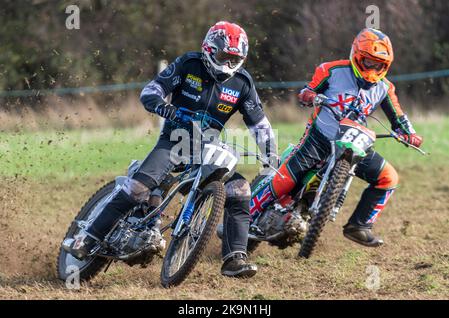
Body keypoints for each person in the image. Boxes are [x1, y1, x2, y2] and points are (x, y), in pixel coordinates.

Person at [63, 21, 278, 278]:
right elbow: (151, 91)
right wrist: (164, 108)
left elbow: (261, 126)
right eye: (224, 57)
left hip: (207, 148)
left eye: (235, 59)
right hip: (173, 142)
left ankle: (234, 257)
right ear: (209, 50)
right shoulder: (189, 64)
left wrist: (271, 156)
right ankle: (87, 238)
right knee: (138, 190)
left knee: (240, 189)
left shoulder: (243, 83)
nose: (229, 65)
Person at [250, 28, 423, 247]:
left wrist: (410, 134)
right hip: (319, 137)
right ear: (357, 56)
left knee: (389, 178)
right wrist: (309, 95)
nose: (373, 68)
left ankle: (360, 226)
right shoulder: (331, 70)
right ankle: (244, 216)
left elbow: (399, 117)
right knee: (286, 178)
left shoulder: (385, 87)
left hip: (357, 142)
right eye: (369, 62)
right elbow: (307, 90)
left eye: (379, 65)